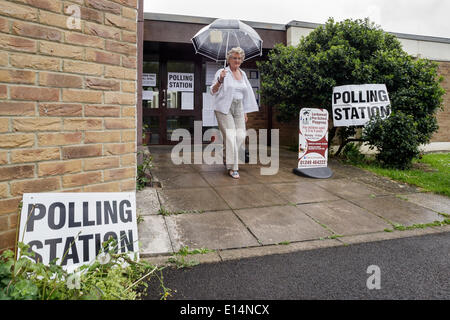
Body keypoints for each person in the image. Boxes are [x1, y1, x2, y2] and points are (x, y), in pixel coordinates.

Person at [210, 47, 259, 179]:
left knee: (241, 136)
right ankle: (233, 168)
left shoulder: (242, 74)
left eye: (239, 58)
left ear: (242, 60)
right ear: (229, 59)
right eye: (234, 58)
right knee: (231, 137)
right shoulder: (222, 72)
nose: (237, 60)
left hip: (239, 107)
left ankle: (226, 156)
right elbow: (212, 91)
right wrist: (220, 80)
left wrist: (245, 112)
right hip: (224, 108)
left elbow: (245, 93)